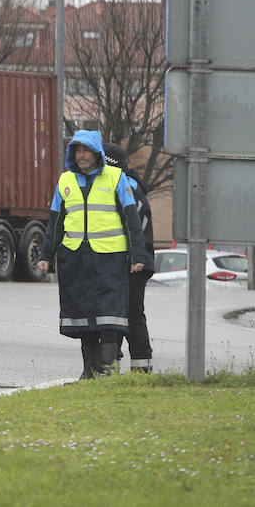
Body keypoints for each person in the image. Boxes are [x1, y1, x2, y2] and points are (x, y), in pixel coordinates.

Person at [35, 130, 152, 378]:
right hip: (75, 258)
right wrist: (45, 256)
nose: (81, 155)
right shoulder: (65, 181)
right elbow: (55, 224)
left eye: (86, 150)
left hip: (110, 258)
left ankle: (106, 370)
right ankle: (89, 371)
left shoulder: (116, 178)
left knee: (109, 314)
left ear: (97, 152)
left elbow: (131, 221)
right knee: (81, 314)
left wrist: (138, 256)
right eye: (77, 151)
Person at [104, 141, 155, 373]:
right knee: (114, 314)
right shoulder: (125, 183)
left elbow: (133, 227)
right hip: (124, 260)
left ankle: (141, 367)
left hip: (134, 262)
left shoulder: (127, 186)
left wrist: (134, 257)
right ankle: (111, 363)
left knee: (130, 313)